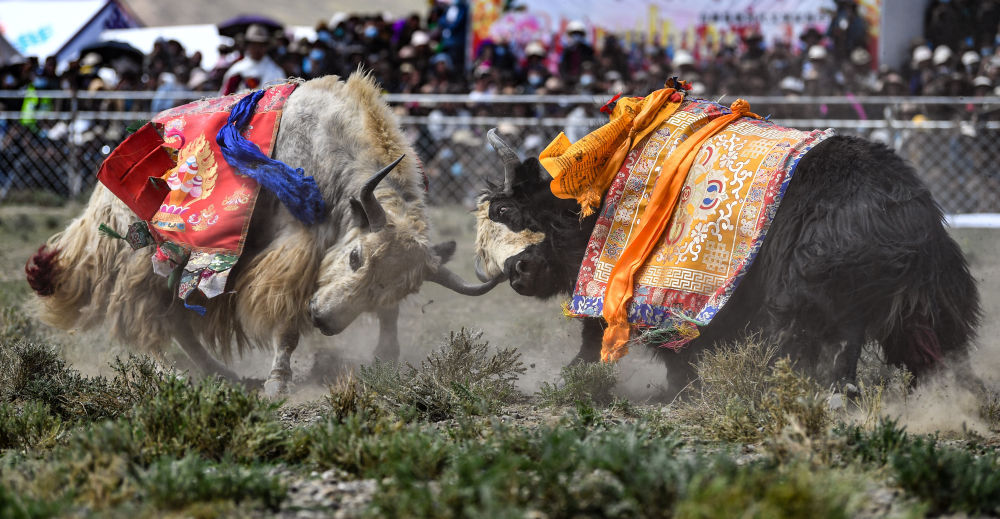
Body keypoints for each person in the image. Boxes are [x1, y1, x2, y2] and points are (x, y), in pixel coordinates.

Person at [220, 24, 286, 95]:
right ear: (248, 45)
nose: (257, 49)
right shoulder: (237, 70)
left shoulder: (275, 71)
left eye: (261, 45)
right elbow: (224, 97)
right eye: (254, 45)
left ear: (266, 47)